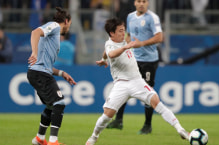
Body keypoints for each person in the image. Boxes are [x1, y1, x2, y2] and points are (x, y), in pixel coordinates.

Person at [85, 17, 189, 145]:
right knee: (107, 116)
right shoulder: (110, 44)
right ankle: (94, 136)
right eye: (120, 31)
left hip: (137, 81)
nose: (124, 34)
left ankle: (181, 130)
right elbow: (111, 53)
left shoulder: (123, 41)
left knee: (157, 102)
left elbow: (107, 55)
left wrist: (103, 59)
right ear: (112, 33)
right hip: (121, 84)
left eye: (124, 30)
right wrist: (124, 48)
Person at [106, 0, 163, 135]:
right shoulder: (130, 17)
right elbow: (128, 36)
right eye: (139, 1)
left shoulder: (152, 18)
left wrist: (142, 44)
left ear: (147, 3)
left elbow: (160, 37)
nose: (141, 4)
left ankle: (147, 125)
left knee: (148, 91)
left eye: (144, 1)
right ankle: (118, 121)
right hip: (133, 60)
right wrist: (125, 48)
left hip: (149, 61)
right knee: (124, 87)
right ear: (135, 3)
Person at [27, 7, 76, 145]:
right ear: (66, 21)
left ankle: (39, 138)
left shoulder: (53, 37)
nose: (69, 27)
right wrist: (34, 53)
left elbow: (46, 65)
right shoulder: (54, 26)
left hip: (39, 72)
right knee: (59, 103)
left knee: (50, 106)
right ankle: (53, 141)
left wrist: (62, 73)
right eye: (70, 24)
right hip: (39, 73)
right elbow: (35, 32)